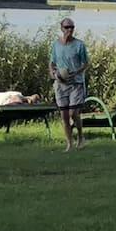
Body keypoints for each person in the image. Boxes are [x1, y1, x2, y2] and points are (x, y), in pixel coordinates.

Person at [49, 17, 90, 152]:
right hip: (60, 84)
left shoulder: (79, 45)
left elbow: (85, 64)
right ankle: (69, 144)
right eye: (67, 27)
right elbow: (52, 63)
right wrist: (53, 73)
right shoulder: (56, 45)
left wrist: (76, 72)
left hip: (76, 83)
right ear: (61, 28)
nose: (70, 30)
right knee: (64, 116)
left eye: (72, 27)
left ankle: (80, 137)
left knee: (73, 113)